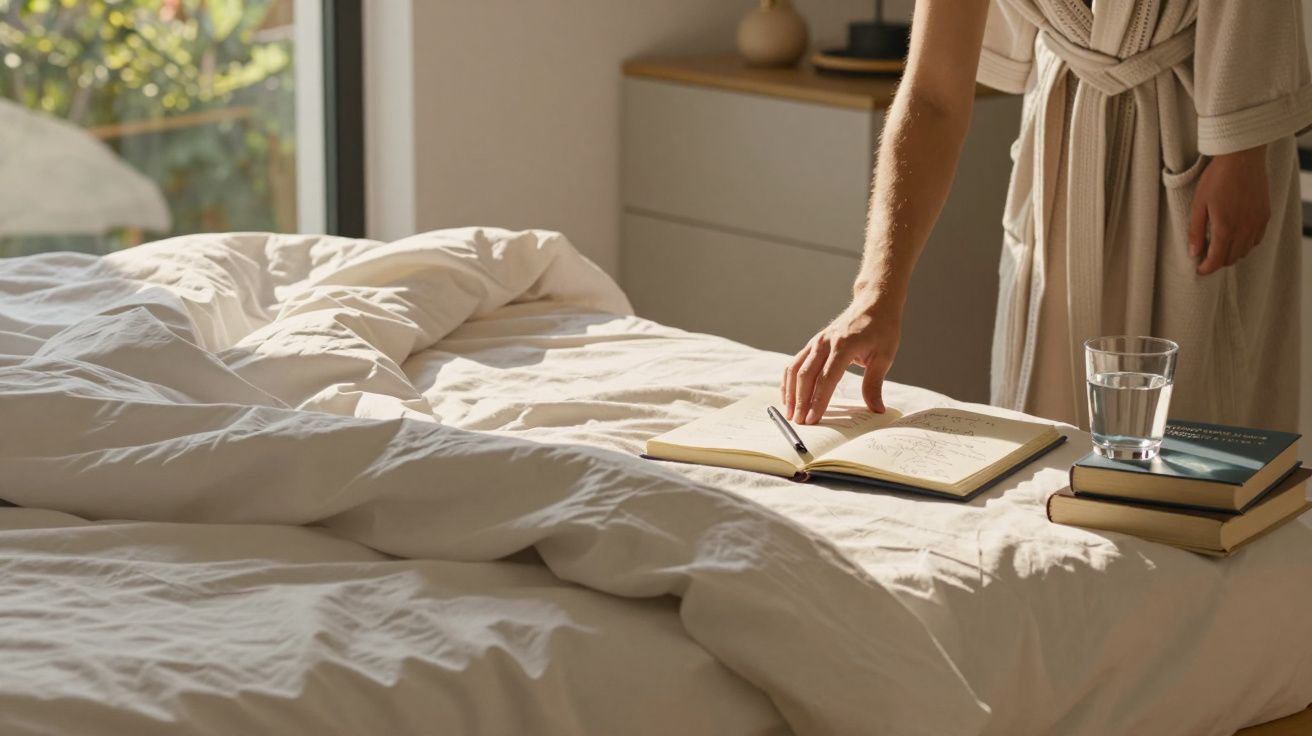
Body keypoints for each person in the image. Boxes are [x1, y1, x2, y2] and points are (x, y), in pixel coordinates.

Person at [780, 0, 1312, 431]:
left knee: (1205, 451)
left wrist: (1242, 149)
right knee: (1044, 443)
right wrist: (877, 294)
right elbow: (934, 93)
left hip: (1207, 135)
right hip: (1062, 158)